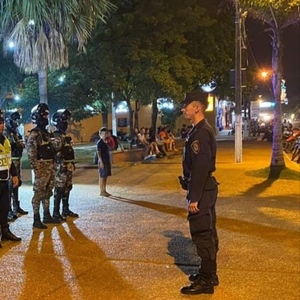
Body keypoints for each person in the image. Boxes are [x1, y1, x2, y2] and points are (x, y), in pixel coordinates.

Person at [179, 92, 219, 295]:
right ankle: (209, 273)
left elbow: (201, 167)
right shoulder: (199, 130)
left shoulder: (201, 133)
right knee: (209, 231)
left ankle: (206, 282)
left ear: (197, 108)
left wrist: (194, 197)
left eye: (186, 106)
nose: (183, 109)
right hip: (205, 187)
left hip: (201, 189)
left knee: (203, 233)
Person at [27, 104, 60, 229]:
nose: (46, 117)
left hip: (50, 167)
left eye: (47, 115)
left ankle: (47, 215)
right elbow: (31, 154)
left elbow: (54, 149)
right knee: (38, 193)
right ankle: (36, 219)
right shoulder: (35, 134)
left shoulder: (46, 133)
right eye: (44, 115)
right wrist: (37, 170)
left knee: (48, 192)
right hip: (41, 168)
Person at [52, 109, 78, 221]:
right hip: (61, 167)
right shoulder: (57, 136)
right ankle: (56, 212)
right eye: (63, 120)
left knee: (68, 187)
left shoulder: (65, 135)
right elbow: (54, 151)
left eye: (66, 120)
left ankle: (65, 209)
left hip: (68, 165)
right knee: (59, 189)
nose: (65, 122)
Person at [0, 110, 22, 247]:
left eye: (1, 123)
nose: (1, 126)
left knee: (4, 207)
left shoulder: (5, 140)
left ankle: (5, 231)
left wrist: (14, 175)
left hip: (4, 179)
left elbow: (9, 159)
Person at [4, 111, 28, 219]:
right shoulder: (5, 133)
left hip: (17, 159)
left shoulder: (15, 132)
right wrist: (18, 144)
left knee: (17, 184)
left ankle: (16, 207)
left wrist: (20, 144)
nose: (16, 122)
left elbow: (19, 144)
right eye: (14, 120)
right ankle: (8, 210)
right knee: (9, 186)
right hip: (10, 161)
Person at [97, 127, 111, 197]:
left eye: (106, 134)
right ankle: (101, 191)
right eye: (104, 134)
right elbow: (98, 153)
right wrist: (101, 162)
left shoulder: (105, 142)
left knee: (105, 176)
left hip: (106, 160)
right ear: (100, 134)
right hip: (103, 161)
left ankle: (104, 190)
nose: (105, 135)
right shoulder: (100, 143)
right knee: (102, 176)